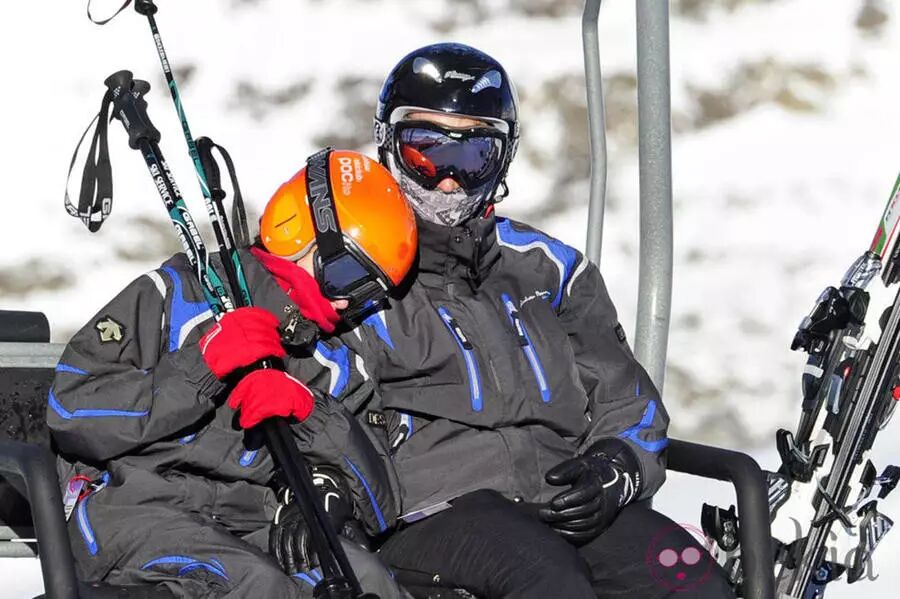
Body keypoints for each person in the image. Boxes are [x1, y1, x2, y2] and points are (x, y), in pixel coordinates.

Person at [274, 43, 735, 598]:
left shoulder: (549, 271)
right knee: (551, 582)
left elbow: (628, 401)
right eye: (427, 151)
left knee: (691, 579)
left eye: (473, 156)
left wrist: (615, 468)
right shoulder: (354, 274)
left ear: (504, 157)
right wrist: (322, 487)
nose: (448, 180)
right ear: (388, 146)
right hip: (430, 512)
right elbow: (320, 410)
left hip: (558, 499)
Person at [48, 149, 417, 598]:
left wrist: (311, 415)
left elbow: (382, 506)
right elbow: (71, 409)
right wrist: (200, 369)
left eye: (366, 292)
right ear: (296, 231)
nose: (345, 302)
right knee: (257, 586)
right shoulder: (176, 296)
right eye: (345, 274)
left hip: (250, 523)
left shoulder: (337, 361)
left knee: (366, 578)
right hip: (134, 510)